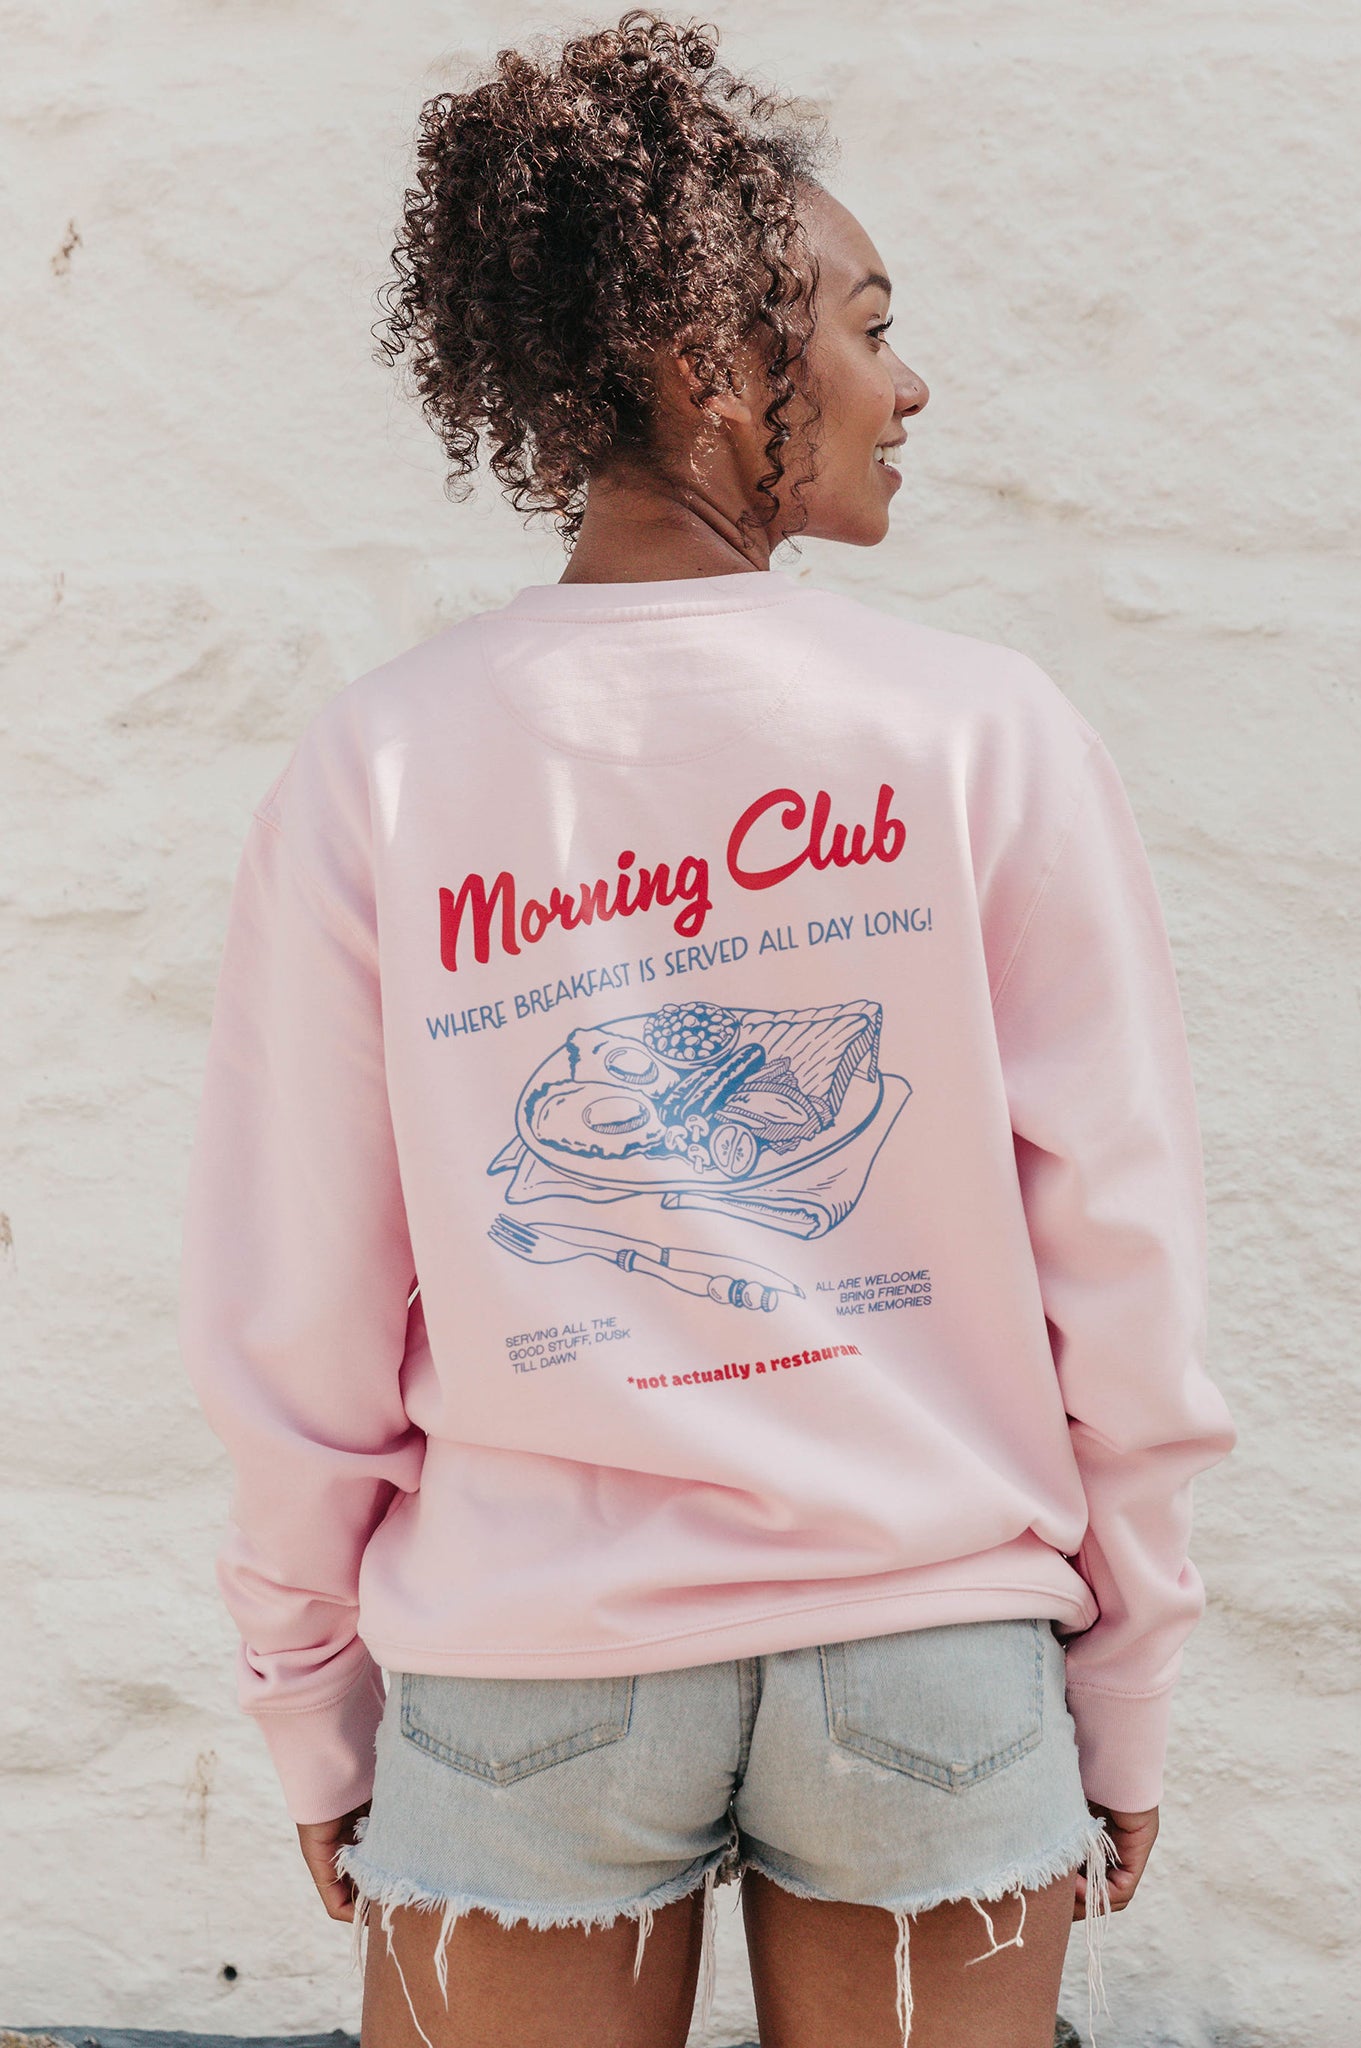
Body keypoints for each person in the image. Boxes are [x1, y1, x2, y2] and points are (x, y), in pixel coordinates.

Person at [178, 13, 1236, 2047]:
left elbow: (299, 1294)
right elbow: (1119, 1243)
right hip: (928, 1648)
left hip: (528, 1665)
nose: (904, 381)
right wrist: (1126, 1672)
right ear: (699, 357)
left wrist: (310, 1693)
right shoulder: (978, 731)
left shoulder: (380, 760)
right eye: (858, 323)